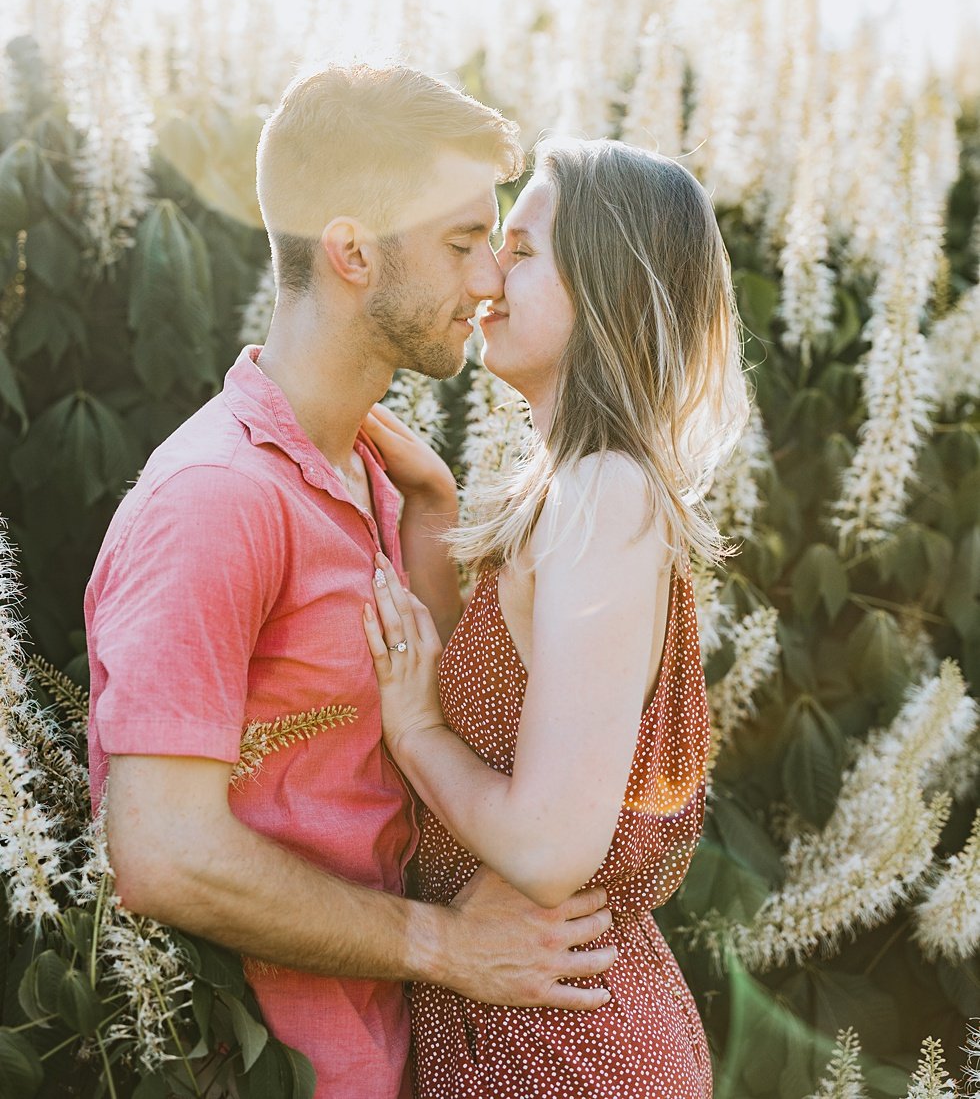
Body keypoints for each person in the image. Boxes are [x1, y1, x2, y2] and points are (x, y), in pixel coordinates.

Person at [84, 65, 619, 1099]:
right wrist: (448, 949)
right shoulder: (216, 498)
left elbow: (425, 760)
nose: (488, 284)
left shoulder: (373, 478)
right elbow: (160, 853)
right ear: (352, 251)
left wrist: (428, 522)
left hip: (393, 1062)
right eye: (464, 243)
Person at [362, 135, 751, 1099]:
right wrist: (435, 512)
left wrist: (412, 732)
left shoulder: (607, 494)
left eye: (525, 249)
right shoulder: (570, 493)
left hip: (575, 1054)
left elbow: (545, 849)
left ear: (607, 289)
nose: (489, 269)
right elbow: (505, 704)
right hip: (531, 1029)